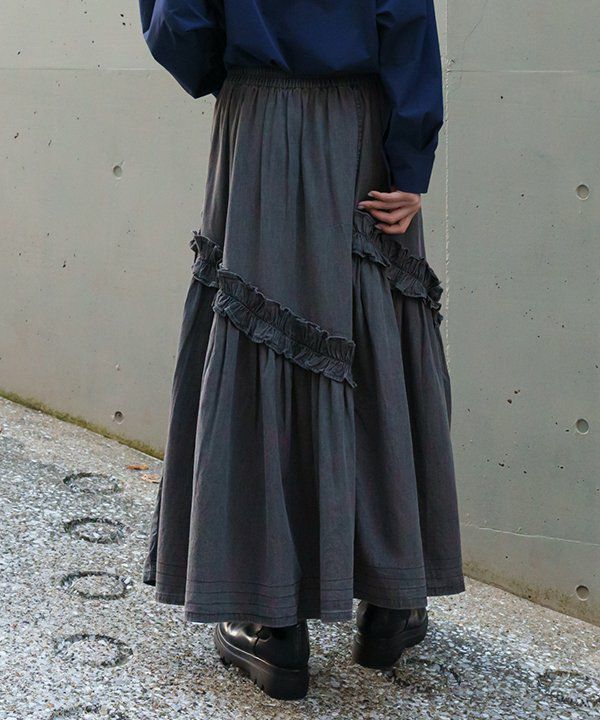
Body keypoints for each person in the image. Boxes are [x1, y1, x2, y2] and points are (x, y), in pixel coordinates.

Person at [138, 0, 465, 701]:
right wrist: (411, 157)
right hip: (364, 133)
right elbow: (405, 16)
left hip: (259, 123)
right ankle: (392, 601)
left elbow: (179, 31)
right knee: (376, 340)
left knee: (263, 335)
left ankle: (271, 622)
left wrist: (232, 65)